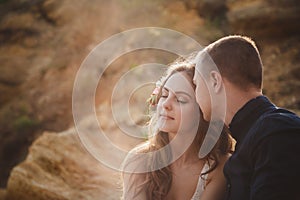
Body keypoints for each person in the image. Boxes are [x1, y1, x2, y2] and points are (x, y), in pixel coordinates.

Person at [193, 35, 300, 200]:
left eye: (197, 84)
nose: (195, 94)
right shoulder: (255, 136)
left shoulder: (276, 132)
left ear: (215, 80)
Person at [122, 54, 233, 200]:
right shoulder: (139, 160)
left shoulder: (218, 167)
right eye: (164, 95)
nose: (166, 105)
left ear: (203, 109)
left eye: (180, 100)